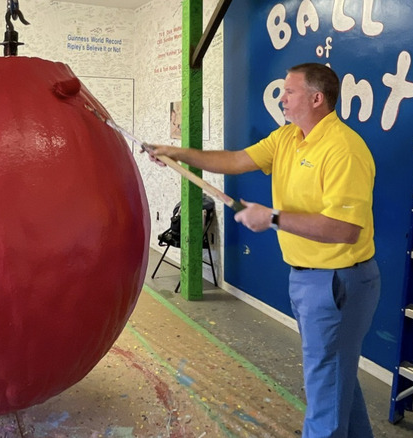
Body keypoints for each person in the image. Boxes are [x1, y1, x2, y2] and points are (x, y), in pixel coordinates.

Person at [148, 63, 380, 438]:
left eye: (289, 91)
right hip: (306, 278)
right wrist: (178, 153)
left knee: (326, 387)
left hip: (338, 282)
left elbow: (345, 230)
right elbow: (236, 160)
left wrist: (273, 218)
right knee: (336, 376)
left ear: (317, 99)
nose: (281, 97)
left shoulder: (344, 149)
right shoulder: (288, 137)